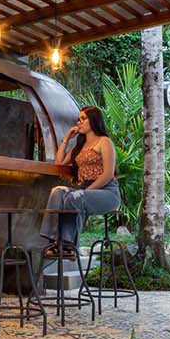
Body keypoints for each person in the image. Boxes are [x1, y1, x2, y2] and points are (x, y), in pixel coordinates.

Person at [41, 106, 119, 255]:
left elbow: (108, 174)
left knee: (75, 196)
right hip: (85, 190)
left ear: (94, 121)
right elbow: (59, 164)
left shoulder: (104, 142)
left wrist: (85, 191)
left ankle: (67, 245)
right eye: (78, 119)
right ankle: (53, 242)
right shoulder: (80, 146)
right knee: (57, 192)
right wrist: (66, 139)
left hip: (107, 191)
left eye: (83, 119)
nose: (79, 122)